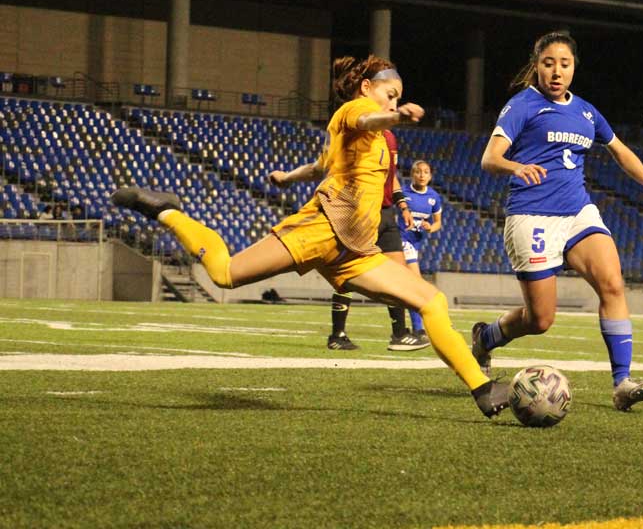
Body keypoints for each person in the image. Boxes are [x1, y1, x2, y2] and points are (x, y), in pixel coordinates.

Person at [111, 54, 509, 418]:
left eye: (398, 98)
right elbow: (368, 119)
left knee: (431, 300)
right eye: (390, 94)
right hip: (320, 230)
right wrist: (395, 116)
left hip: (356, 251)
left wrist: (288, 176)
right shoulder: (357, 110)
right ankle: (168, 211)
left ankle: (482, 388)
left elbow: (322, 165)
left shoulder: (376, 141)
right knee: (225, 273)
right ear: (366, 88)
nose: (392, 101)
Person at [472, 31, 643, 412]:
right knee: (540, 319)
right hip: (532, 216)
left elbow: (620, 151)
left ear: (574, 68)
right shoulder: (523, 105)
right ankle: (486, 337)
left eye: (564, 64)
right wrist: (516, 165)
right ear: (537, 67)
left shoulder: (585, 111)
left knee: (613, 284)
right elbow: (489, 158)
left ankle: (621, 383)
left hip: (578, 212)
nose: (556, 71)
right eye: (548, 63)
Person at [269, 128, 430, 352]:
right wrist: (288, 177)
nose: (393, 104)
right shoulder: (355, 132)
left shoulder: (390, 137)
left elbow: (390, 177)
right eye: (390, 96)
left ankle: (399, 334)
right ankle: (337, 334)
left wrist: (403, 206)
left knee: (399, 273)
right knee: (349, 271)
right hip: (360, 212)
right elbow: (322, 167)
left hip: (385, 213)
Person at [399, 159, 442, 337]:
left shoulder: (433, 198)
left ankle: (403, 329)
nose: (422, 175)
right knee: (417, 284)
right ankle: (420, 328)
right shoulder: (403, 194)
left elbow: (438, 223)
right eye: (418, 171)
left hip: (415, 244)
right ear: (412, 175)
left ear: (430, 176)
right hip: (401, 241)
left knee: (405, 288)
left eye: (425, 172)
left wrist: (430, 227)